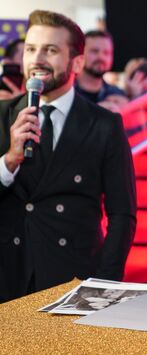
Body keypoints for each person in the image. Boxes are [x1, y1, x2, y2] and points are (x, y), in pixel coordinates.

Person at [0, 10, 136, 303]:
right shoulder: (2, 115)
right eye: (31, 49)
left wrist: (103, 284)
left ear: (77, 61)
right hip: (6, 277)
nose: (37, 59)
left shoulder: (104, 125)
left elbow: (122, 214)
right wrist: (9, 160)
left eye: (50, 50)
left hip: (71, 281)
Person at [74, 30, 128, 112]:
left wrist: (129, 106)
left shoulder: (117, 94)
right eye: (94, 51)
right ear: (80, 54)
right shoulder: (66, 93)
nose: (101, 57)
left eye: (106, 53)